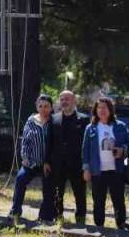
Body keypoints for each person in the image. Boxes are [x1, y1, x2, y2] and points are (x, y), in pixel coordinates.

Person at [81, 96, 129, 229]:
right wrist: (86, 169)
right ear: (95, 110)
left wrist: (123, 150)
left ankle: (121, 225)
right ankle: (99, 226)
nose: (102, 110)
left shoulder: (120, 126)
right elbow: (85, 150)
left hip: (116, 170)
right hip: (97, 171)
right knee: (98, 201)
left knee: (118, 200)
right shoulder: (90, 128)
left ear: (110, 110)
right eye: (99, 107)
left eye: (105, 107)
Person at [45, 91, 91, 224]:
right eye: (62, 99)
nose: (64, 102)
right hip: (58, 163)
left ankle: (80, 220)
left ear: (74, 101)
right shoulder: (54, 118)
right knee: (57, 193)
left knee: (80, 193)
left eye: (67, 99)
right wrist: (47, 161)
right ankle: (58, 217)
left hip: (77, 164)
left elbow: (87, 143)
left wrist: (86, 164)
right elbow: (49, 141)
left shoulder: (83, 119)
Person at [9, 95, 53, 223]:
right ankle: (15, 211)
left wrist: (49, 161)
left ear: (50, 108)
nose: (43, 109)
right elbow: (25, 141)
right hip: (31, 162)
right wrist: (25, 157)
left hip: (47, 164)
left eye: (46, 106)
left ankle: (44, 216)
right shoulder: (31, 121)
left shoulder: (53, 121)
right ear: (37, 107)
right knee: (20, 179)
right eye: (41, 106)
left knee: (49, 187)